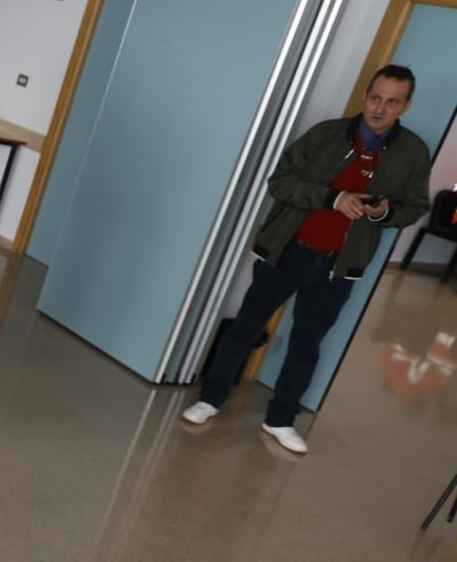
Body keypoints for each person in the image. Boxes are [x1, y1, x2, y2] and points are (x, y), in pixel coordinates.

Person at [182, 64, 431, 454]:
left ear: (406, 106)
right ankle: (210, 399)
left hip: (339, 267)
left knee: (307, 345)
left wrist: (385, 212)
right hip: (290, 251)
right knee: (245, 327)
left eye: (392, 102)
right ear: (365, 96)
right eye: (375, 98)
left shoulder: (413, 152)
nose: (380, 108)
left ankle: (280, 419)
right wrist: (333, 198)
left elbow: (415, 206)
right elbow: (280, 182)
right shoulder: (326, 134)